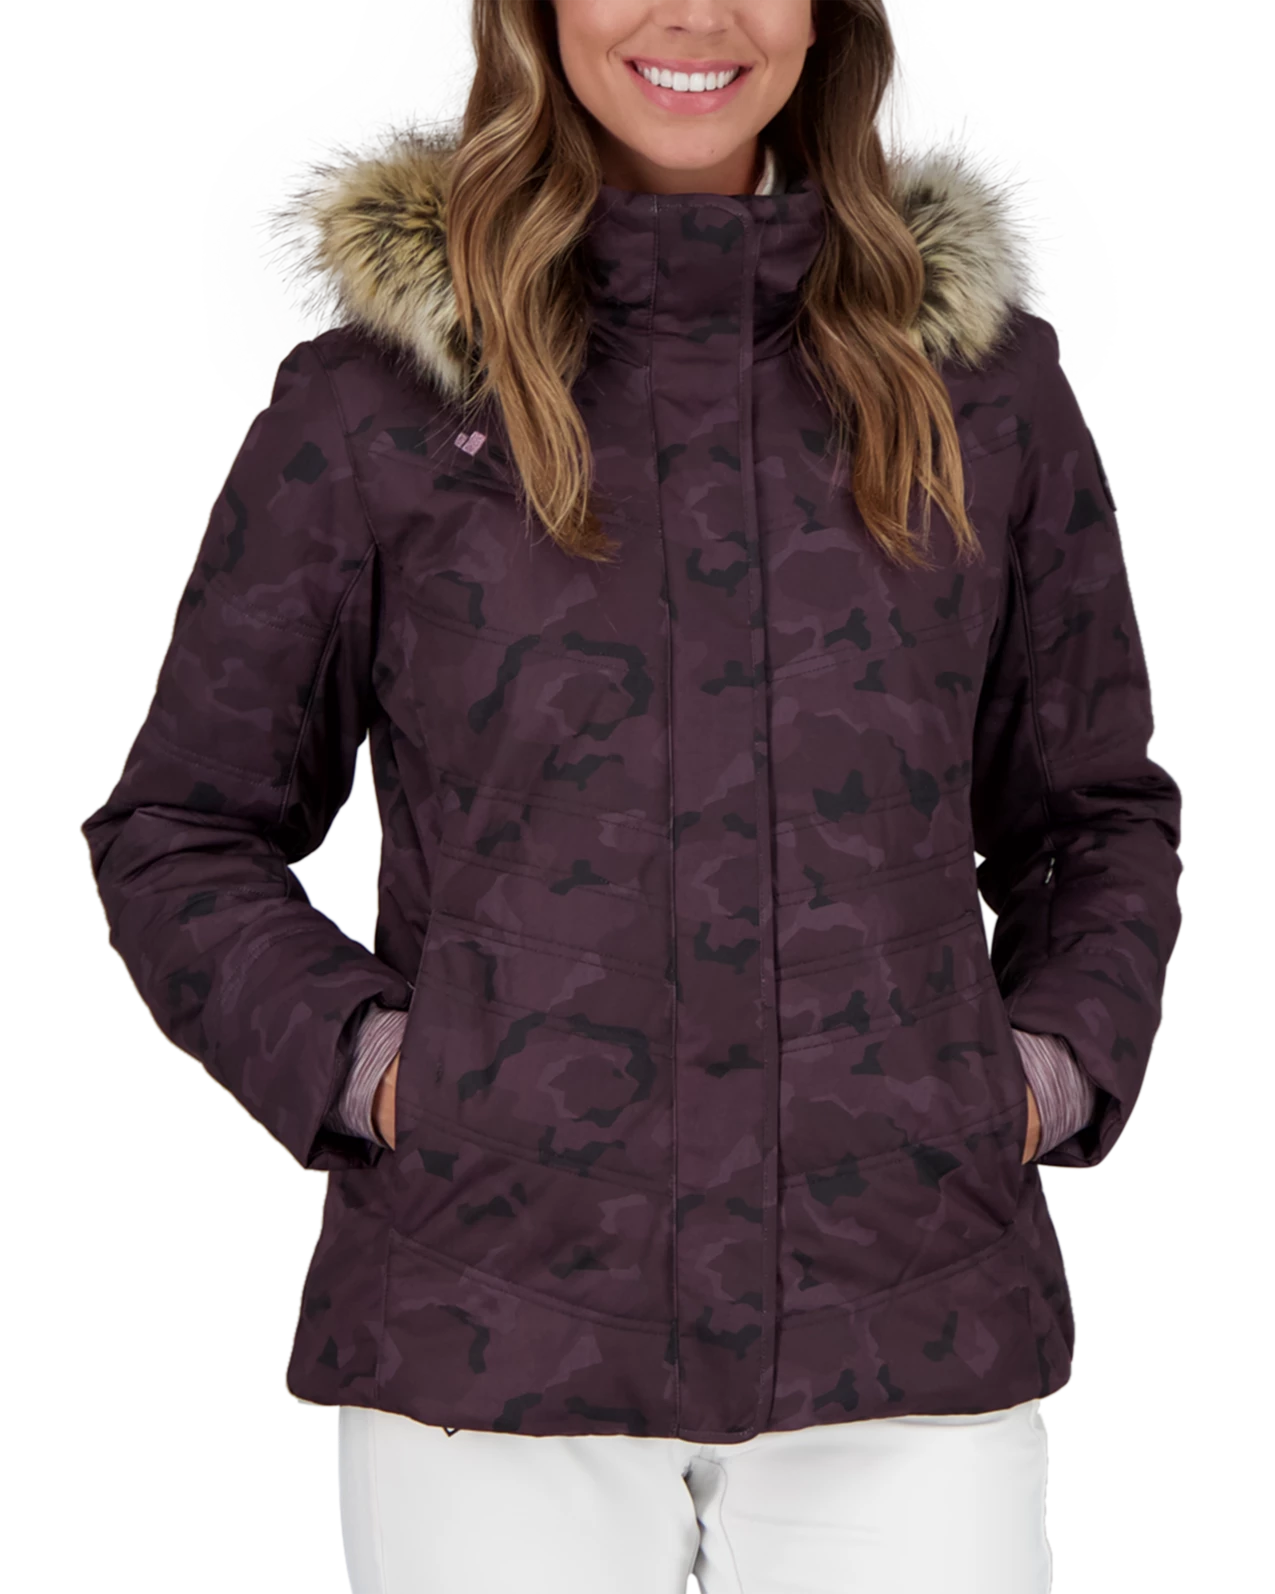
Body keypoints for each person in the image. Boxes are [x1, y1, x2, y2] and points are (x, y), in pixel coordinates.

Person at [82, 2, 1182, 1590]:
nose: (694, 14)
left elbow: (1093, 811)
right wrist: (386, 1073)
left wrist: (1034, 1075)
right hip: (490, 1324)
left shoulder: (980, 392)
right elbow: (181, 826)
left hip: (907, 1320)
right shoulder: (380, 402)